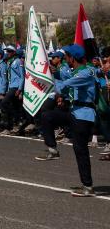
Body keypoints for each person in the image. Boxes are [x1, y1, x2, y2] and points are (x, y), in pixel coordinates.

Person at [35, 44, 98, 197]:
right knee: (47, 116)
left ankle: (87, 187)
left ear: (72, 58)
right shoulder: (76, 71)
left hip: (84, 115)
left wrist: (45, 81)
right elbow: (64, 79)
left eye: (67, 56)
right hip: (74, 112)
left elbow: (64, 85)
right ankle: (52, 149)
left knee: (80, 150)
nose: (65, 59)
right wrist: (48, 73)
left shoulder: (86, 72)